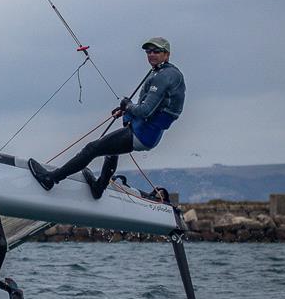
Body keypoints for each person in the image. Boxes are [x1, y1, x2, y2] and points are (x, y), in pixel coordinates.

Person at [28, 37, 185, 197]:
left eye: (156, 51)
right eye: (148, 51)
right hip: (145, 132)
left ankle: (50, 179)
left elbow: (144, 111)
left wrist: (128, 105)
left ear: (167, 54)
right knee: (111, 151)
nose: (151, 54)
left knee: (92, 149)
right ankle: (99, 188)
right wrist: (126, 109)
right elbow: (154, 106)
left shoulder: (165, 76)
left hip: (142, 133)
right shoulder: (162, 71)